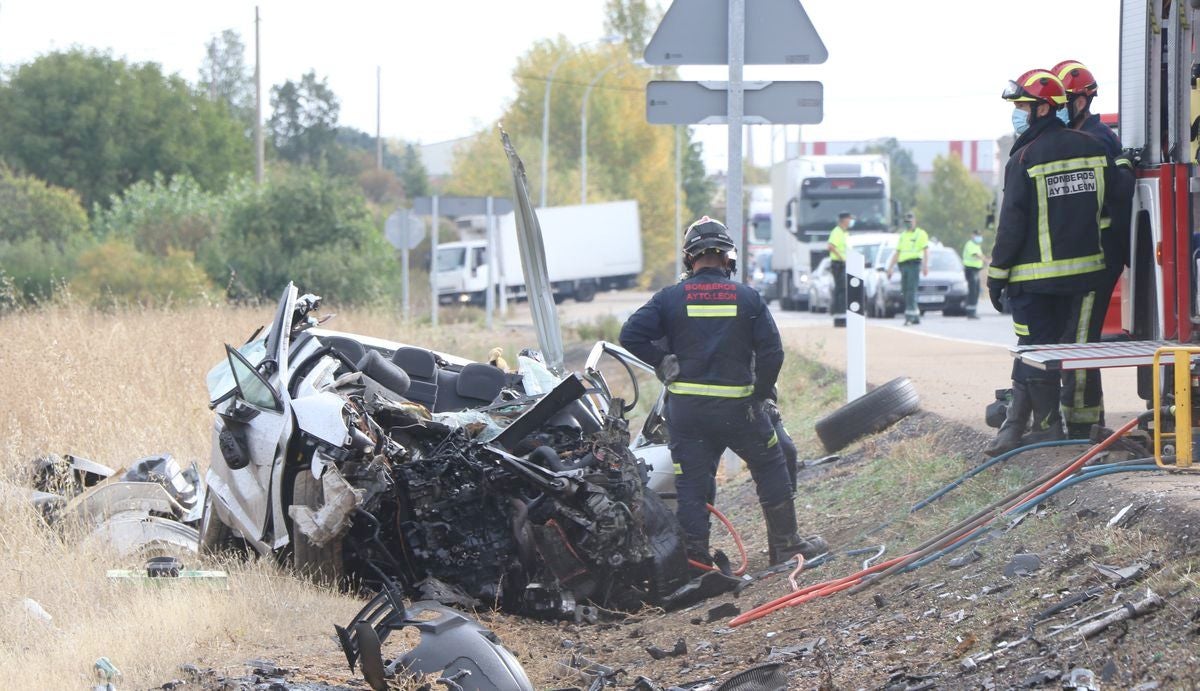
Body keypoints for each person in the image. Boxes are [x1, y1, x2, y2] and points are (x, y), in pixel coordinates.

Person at [619, 216, 827, 566]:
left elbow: (630, 335)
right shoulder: (748, 298)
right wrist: (760, 395)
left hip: (688, 415)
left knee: (692, 485)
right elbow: (773, 353)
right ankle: (786, 547)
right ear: (728, 258)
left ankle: (696, 561)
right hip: (740, 412)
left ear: (689, 259)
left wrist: (661, 360)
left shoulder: (669, 299)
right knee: (772, 464)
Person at [984, 69, 1131, 456]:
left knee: (1035, 349)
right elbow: (1115, 202)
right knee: (1075, 349)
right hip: (1085, 274)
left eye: (1022, 107)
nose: (1017, 114)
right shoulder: (1097, 150)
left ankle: (1044, 427)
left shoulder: (1025, 158)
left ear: (1044, 109)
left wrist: (996, 278)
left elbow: (1011, 225)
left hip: (1035, 280)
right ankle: (1050, 425)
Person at [1051, 60, 1135, 438]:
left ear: (1083, 100)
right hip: (1087, 255)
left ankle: (1083, 423)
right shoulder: (1082, 137)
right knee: (1077, 335)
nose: (1060, 108)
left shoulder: (1097, 139)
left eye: (1065, 100)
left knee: (1081, 338)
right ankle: (1087, 416)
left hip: (1098, 256)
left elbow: (1114, 197)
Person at [887, 212, 929, 325]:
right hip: (903, 266)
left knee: (911, 291)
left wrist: (925, 266)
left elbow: (925, 250)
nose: (908, 224)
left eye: (910, 221)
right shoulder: (903, 235)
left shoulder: (920, 234)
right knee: (905, 291)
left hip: (913, 265)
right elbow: (897, 252)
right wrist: (890, 268)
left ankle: (909, 317)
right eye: (906, 222)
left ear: (915, 221)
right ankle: (915, 315)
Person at [827, 212, 851, 327]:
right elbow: (830, 246)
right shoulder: (837, 232)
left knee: (842, 291)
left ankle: (841, 316)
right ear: (844, 220)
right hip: (838, 264)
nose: (850, 221)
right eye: (849, 219)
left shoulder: (844, 233)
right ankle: (839, 317)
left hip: (842, 264)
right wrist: (842, 258)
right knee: (841, 291)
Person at [961, 231, 986, 319]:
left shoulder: (976, 245)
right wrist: (986, 260)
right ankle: (970, 312)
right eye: (977, 236)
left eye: (980, 236)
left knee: (976, 291)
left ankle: (973, 311)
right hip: (970, 270)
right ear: (973, 236)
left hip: (975, 270)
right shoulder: (970, 244)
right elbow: (975, 255)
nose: (979, 237)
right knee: (973, 291)